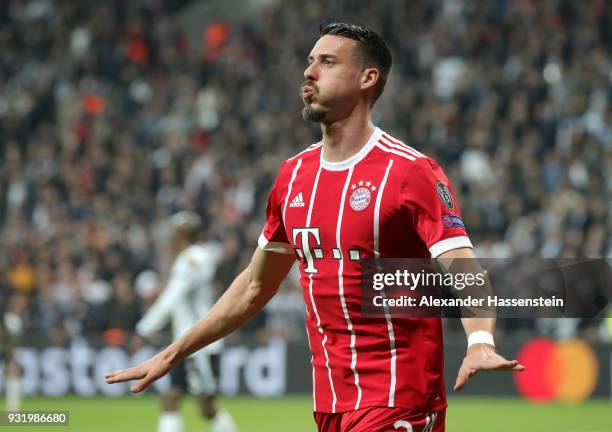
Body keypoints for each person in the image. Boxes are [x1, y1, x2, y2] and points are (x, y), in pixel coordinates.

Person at [107, 23, 524, 431]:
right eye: (310, 61)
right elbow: (255, 286)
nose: (309, 72)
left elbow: (460, 264)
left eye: (327, 62)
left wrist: (480, 341)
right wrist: (173, 353)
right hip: (330, 403)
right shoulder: (293, 176)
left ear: (367, 78)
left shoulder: (410, 171)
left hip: (401, 396)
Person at [134, 211, 237, 432]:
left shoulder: (193, 258)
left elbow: (172, 296)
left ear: (180, 234)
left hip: (199, 345)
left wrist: (144, 329)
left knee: (206, 406)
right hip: (187, 343)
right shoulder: (196, 256)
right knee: (172, 398)